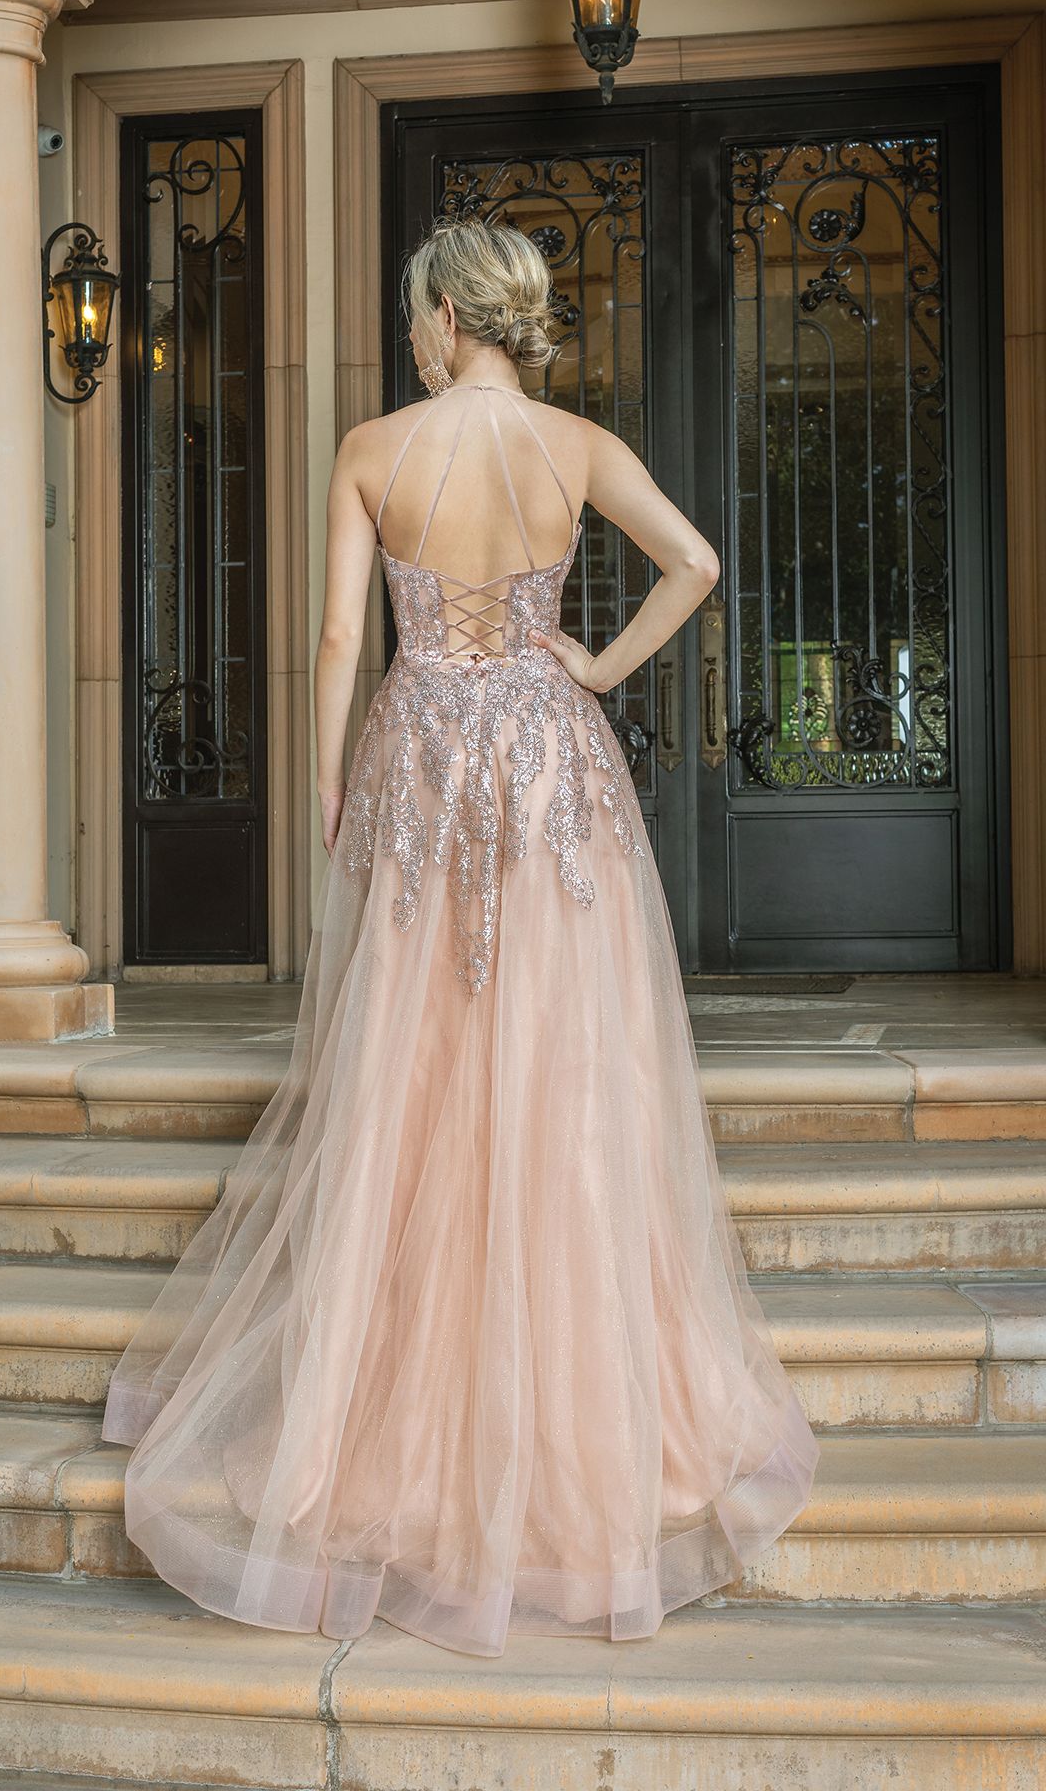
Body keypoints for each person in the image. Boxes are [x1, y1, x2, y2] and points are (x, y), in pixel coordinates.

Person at [101, 214, 820, 1659]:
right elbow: (697, 562)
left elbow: (329, 648)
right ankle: (580, 1431)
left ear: (440, 314)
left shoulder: (376, 447)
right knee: (563, 1081)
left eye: (415, 309)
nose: (413, 327)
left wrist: (325, 791)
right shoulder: (575, 448)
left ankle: (401, 1431)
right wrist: (595, 663)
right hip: (554, 770)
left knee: (415, 1077)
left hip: (423, 762)